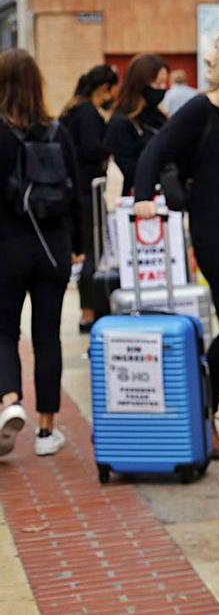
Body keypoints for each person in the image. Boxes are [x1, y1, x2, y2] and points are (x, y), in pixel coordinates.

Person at [133, 29, 219, 457]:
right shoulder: (200, 110)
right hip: (216, 236)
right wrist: (142, 199)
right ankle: (202, 409)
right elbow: (154, 152)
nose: (209, 54)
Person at [0, 49, 85, 458]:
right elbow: (78, 195)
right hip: (54, 249)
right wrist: (80, 246)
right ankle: (47, 430)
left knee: (4, 332)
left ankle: (10, 400)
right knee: (48, 336)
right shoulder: (58, 131)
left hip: (7, 248)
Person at [60, 64, 118, 332]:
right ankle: (89, 312)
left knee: (87, 253)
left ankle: (88, 311)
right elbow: (92, 149)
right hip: (89, 191)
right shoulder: (87, 114)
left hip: (75, 191)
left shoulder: (72, 110)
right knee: (93, 253)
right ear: (104, 88)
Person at [104, 54, 169, 194]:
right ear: (141, 84)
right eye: (158, 84)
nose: (163, 89)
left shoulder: (160, 117)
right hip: (138, 200)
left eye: (165, 83)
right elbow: (129, 168)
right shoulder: (121, 122)